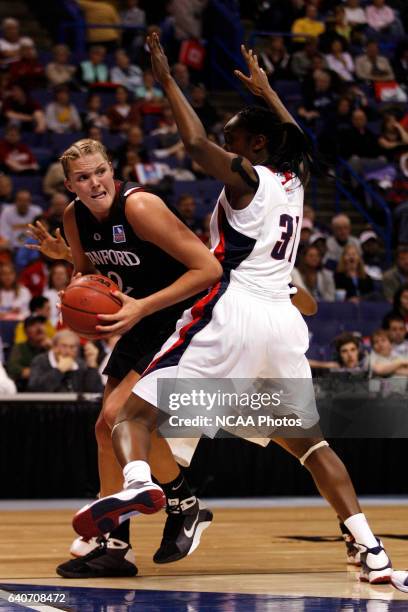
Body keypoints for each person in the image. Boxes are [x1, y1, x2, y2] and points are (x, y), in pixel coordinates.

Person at [74, 38, 394, 585]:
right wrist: (269, 90)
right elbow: (296, 141)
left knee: (130, 415)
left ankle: (138, 481)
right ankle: (370, 548)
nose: (229, 147)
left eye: (237, 141)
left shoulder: (251, 180)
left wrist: (167, 80)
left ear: (258, 146)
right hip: (284, 323)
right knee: (311, 444)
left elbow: (194, 143)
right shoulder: (296, 181)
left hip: (234, 312)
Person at [27, 137, 222, 578]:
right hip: (140, 320)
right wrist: (75, 286)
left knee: (119, 416)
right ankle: (119, 544)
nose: (95, 183)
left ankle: (178, 506)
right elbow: (87, 273)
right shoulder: (74, 217)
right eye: (82, 177)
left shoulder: (140, 207)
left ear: (112, 169)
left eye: (100, 171)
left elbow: (209, 270)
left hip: (183, 317)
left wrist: (140, 306)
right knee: (104, 426)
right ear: (69, 185)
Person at [28, 329, 103, 392]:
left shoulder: (80, 364)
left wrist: (92, 365)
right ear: (54, 347)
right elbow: (34, 388)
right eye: (64, 346)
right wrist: (59, 370)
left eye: (72, 347)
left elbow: (94, 391)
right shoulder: (40, 361)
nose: (68, 351)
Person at [7, 314, 50, 390]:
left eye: (41, 323)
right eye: (33, 325)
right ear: (26, 331)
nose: (39, 328)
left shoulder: (53, 347)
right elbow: (12, 368)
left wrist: (52, 348)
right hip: (26, 390)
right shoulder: (20, 347)